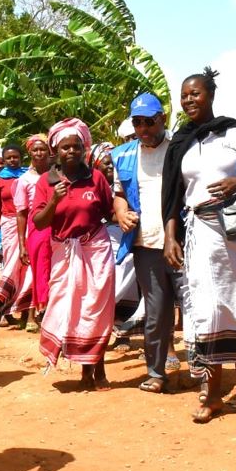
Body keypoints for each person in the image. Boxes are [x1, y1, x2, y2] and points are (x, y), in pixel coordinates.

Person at [162, 70, 236, 421]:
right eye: (184, 95)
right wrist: (169, 236)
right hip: (202, 234)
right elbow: (172, 195)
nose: (189, 100)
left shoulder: (235, 133)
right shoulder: (180, 142)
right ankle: (210, 395)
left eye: (195, 93)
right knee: (208, 313)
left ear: (210, 95)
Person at [32, 118, 116, 390]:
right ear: (56, 150)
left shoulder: (96, 178)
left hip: (96, 249)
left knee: (96, 309)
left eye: (76, 147)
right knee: (67, 307)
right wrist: (55, 199)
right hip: (64, 251)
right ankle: (77, 362)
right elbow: (40, 222)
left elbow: (108, 212)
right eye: (65, 147)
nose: (71, 152)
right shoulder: (47, 181)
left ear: (84, 148)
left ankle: (97, 369)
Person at [112, 92, 183, 388]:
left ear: (162, 119)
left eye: (149, 122)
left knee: (194, 309)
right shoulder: (124, 155)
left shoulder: (180, 148)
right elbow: (119, 195)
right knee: (156, 311)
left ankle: (204, 373)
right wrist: (121, 214)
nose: (143, 129)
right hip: (146, 246)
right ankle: (156, 373)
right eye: (137, 123)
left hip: (183, 242)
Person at [94, 143, 143, 338]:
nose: (110, 167)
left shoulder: (127, 182)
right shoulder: (94, 186)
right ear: (96, 165)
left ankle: (121, 327)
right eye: (106, 163)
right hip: (106, 238)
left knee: (129, 283)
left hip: (129, 234)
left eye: (113, 164)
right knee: (111, 279)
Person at [15, 134, 54, 330]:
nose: (39, 153)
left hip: (58, 227)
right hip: (37, 228)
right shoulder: (24, 180)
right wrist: (22, 244)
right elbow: (21, 213)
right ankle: (38, 313)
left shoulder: (58, 174)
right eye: (35, 150)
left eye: (43, 149)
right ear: (29, 152)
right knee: (39, 271)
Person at [0, 143, 31, 326]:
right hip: (9, 224)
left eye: (15, 157)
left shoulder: (28, 175)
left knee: (28, 267)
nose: (12, 160)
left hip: (30, 222)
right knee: (12, 265)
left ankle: (24, 311)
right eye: (9, 158)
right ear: (4, 160)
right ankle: (2, 304)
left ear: (21, 158)